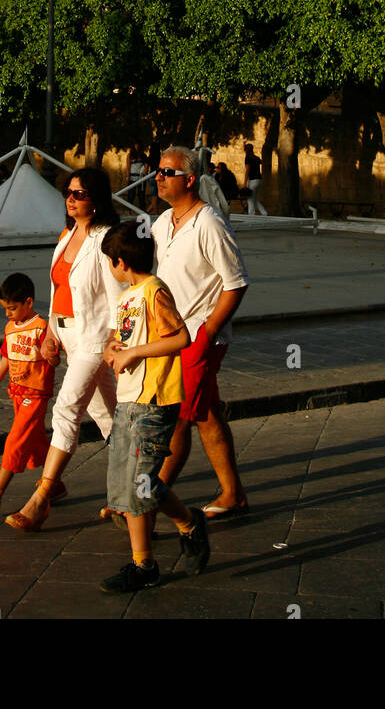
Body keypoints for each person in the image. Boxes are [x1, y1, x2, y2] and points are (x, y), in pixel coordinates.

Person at [5, 167, 121, 531]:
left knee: (66, 408)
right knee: (111, 421)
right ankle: (137, 491)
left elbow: (119, 298)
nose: (71, 200)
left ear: (97, 200)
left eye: (80, 194)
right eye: (68, 193)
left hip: (95, 340)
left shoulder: (107, 239)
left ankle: (41, 498)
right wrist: (52, 333)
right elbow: (57, 291)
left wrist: (118, 342)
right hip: (68, 336)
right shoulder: (66, 236)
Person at [98, 220, 210, 592]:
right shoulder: (127, 297)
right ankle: (143, 563)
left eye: (110, 264)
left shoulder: (153, 292)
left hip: (154, 401)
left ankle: (188, 523)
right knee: (126, 488)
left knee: (141, 484)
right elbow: (119, 338)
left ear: (121, 262)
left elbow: (181, 336)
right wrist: (112, 349)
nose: (110, 271)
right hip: (128, 400)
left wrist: (134, 352)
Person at [151, 146, 250, 518]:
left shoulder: (209, 223)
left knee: (179, 416)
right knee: (205, 412)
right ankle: (233, 493)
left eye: (168, 173)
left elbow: (236, 283)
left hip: (199, 337)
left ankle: (149, 497)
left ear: (189, 180)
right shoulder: (163, 223)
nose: (159, 177)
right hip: (173, 336)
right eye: (158, 171)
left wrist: (208, 332)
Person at [0, 272, 60, 514]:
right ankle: (55, 484)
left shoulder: (42, 328)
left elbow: (54, 358)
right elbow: (4, 361)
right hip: (16, 393)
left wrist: (53, 356)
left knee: (16, 440)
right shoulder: (10, 328)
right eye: (5, 308)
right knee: (35, 442)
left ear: (29, 302)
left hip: (35, 395)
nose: (8, 313)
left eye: (13, 308)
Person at [243, 142, 268, 216]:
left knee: (250, 199)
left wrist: (245, 183)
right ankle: (264, 213)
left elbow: (247, 170)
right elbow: (262, 162)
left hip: (253, 180)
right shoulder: (256, 158)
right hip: (259, 180)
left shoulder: (247, 158)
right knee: (255, 198)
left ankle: (251, 216)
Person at [127, 142, 149, 211]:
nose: (137, 146)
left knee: (141, 195)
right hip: (132, 177)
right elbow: (128, 167)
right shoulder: (130, 155)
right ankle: (128, 210)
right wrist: (127, 177)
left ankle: (142, 210)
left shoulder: (144, 155)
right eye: (136, 144)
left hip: (141, 178)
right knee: (131, 194)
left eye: (138, 144)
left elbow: (146, 166)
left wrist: (145, 175)